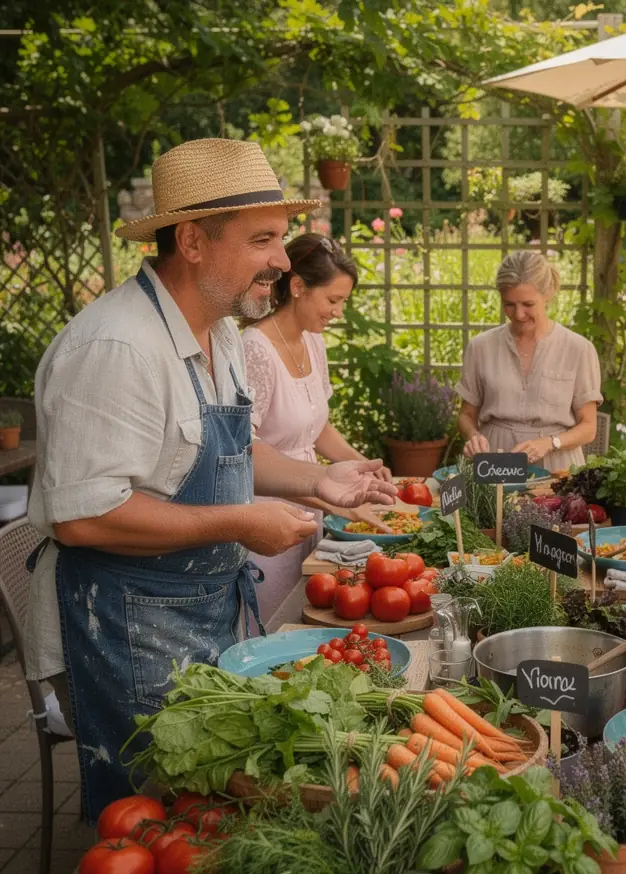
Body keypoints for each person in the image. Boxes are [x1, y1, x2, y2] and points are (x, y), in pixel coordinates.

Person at [24, 138, 396, 821]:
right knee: (157, 825)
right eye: (263, 239)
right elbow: (85, 517)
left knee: (215, 814)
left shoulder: (218, 331)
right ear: (192, 240)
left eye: (281, 240)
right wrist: (239, 522)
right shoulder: (116, 349)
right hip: (125, 627)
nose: (283, 261)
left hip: (200, 609)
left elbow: (231, 452)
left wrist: (320, 483)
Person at [241, 233, 390, 618]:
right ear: (297, 287)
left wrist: (369, 469)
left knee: (307, 609)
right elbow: (245, 453)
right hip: (268, 513)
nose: (339, 312)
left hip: (314, 510)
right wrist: (339, 501)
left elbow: (318, 429)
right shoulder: (255, 349)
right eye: (333, 300)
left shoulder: (313, 343)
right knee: (274, 619)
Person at [457, 250, 601, 471]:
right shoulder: (480, 347)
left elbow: (589, 427)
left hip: (557, 467)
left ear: (547, 295)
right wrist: (474, 436)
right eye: (509, 305)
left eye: (528, 304)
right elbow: (466, 415)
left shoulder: (578, 349)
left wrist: (551, 443)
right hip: (495, 465)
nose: (519, 314)